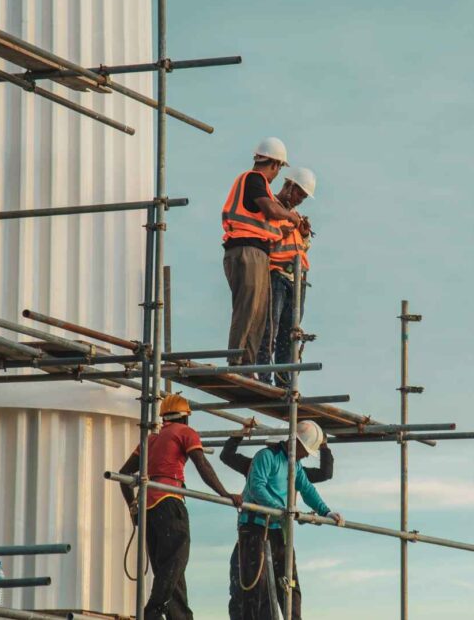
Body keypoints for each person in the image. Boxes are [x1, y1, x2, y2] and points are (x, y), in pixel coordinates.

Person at [118, 394, 242, 620]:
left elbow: (124, 475)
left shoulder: (151, 440)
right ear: (185, 418)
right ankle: (152, 612)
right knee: (176, 561)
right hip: (169, 501)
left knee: (171, 572)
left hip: (148, 508)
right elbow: (202, 465)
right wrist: (225, 494)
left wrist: (133, 507)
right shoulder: (185, 433)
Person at [221, 427, 334, 620]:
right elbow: (256, 486)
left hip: (278, 530)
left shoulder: (295, 466)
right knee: (255, 589)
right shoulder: (265, 457)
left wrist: (327, 512)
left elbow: (307, 489)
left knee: (290, 586)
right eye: (306, 451)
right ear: (296, 443)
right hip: (256, 528)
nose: (306, 456)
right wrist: (279, 509)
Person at [222, 138, 303, 367]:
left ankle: (247, 364)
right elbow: (270, 209)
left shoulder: (260, 187)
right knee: (247, 309)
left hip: (256, 252)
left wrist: (290, 226)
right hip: (245, 250)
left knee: (259, 314)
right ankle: (236, 362)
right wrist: (290, 216)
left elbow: (267, 223)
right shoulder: (254, 179)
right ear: (276, 164)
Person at [256, 168, 316, 387]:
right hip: (276, 275)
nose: (300, 199)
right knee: (269, 329)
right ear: (289, 185)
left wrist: (305, 234)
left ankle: (283, 382)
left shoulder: (295, 216)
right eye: (299, 193)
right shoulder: (270, 207)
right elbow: (263, 238)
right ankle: (263, 377)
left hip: (296, 280)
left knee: (289, 335)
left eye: (303, 196)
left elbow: (301, 248)